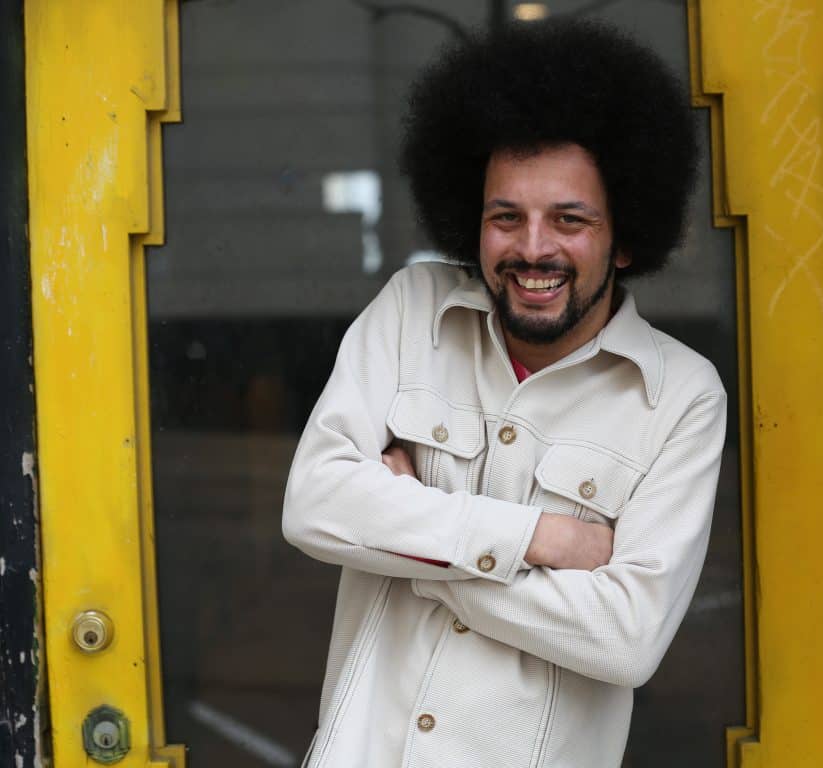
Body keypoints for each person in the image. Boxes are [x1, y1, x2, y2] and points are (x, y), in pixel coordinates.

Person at [283, 18, 726, 768]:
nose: (533, 249)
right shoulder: (410, 309)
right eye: (505, 217)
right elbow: (316, 505)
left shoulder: (681, 397)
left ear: (623, 239)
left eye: (570, 220)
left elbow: (626, 637)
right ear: (472, 221)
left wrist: (415, 550)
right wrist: (541, 541)